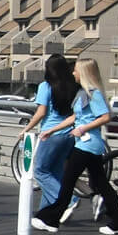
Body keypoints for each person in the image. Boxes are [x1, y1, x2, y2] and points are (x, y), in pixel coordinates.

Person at [31, 59, 118, 235]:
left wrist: (83, 129)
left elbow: (105, 117)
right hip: (86, 145)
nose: (73, 73)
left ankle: (50, 218)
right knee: (102, 185)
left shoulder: (93, 93)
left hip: (88, 145)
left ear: (84, 73)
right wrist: (52, 130)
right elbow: (74, 118)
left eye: (76, 71)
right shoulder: (83, 93)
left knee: (67, 182)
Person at [22, 54, 79, 213]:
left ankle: (69, 201)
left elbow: (41, 113)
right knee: (54, 174)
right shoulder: (73, 86)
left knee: (40, 172)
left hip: (51, 134)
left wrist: (26, 129)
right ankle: (46, 214)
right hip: (69, 135)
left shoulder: (45, 86)